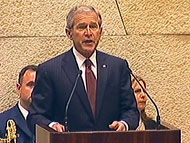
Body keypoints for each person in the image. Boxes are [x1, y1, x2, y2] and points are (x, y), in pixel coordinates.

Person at [27, 5, 139, 133]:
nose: (88, 33)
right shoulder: (50, 70)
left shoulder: (117, 67)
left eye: (93, 26)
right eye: (81, 27)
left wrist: (124, 124)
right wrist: (52, 126)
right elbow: (35, 117)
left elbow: (131, 111)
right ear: (69, 33)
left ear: (100, 32)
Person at [0, 65, 37, 143]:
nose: (35, 90)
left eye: (38, 85)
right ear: (19, 88)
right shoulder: (2, 122)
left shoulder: (52, 122)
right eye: (30, 85)